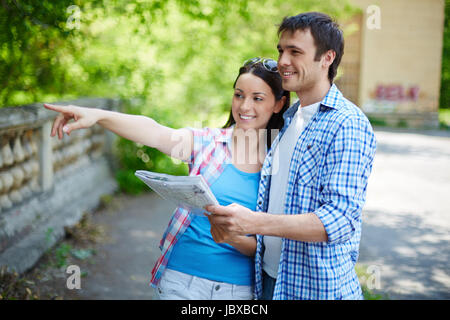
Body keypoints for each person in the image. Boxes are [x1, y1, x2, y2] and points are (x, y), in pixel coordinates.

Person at [44, 57, 290, 300]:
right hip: (180, 282)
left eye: (257, 98)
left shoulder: (283, 164)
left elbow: (272, 248)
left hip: (240, 292)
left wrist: (234, 238)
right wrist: (98, 116)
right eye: (239, 95)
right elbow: (154, 131)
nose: (245, 106)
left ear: (278, 104)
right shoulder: (207, 143)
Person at [206, 12, 377, 300]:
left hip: (316, 291)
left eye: (295, 51)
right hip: (271, 282)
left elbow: (339, 219)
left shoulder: (347, 123)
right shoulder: (289, 119)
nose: (283, 61)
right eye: (281, 51)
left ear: (327, 58)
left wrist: (252, 222)